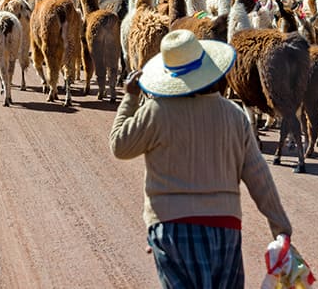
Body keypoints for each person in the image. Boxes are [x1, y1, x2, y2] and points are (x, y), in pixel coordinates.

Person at [109, 29, 293, 288]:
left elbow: (119, 145)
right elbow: (258, 175)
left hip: (170, 228)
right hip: (224, 227)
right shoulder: (234, 116)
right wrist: (280, 226)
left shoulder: (156, 113)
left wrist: (130, 97)